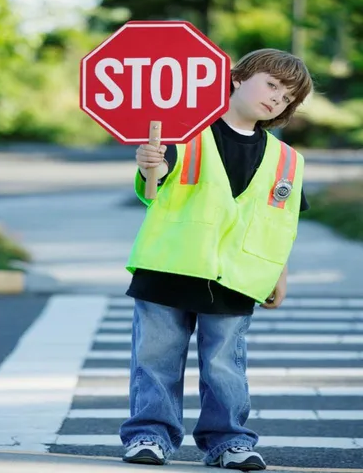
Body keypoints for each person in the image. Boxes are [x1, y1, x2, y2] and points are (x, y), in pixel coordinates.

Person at [119, 48, 313, 470]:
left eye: (287, 97)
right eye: (272, 85)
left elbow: (280, 225)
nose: (277, 98)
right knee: (156, 359)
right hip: (169, 266)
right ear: (238, 78)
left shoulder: (288, 160)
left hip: (237, 277)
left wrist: (279, 276)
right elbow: (152, 188)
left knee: (225, 365)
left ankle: (229, 443)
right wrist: (147, 163)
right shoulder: (184, 133)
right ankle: (149, 436)